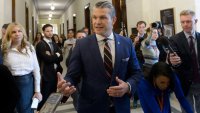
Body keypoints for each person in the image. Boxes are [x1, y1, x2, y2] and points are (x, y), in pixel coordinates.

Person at [57, 1, 143, 113]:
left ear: (113, 20)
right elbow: (72, 76)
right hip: (91, 107)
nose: (97, 22)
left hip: (120, 107)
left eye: (102, 17)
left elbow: (136, 72)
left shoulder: (126, 43)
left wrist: (128, 86)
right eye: (94, 17)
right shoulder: (81, 45)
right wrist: (66, 85)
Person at [2, 22, 42, 113]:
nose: (17, 34)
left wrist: (37, 90)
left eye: (19, 31)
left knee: (27, 109)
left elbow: (36, 69)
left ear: (23, 33)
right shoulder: (4, 50)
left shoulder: (30, 47)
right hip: (10, 84)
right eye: (13, 32)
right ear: (9, 34)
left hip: (28, 83)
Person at [169, 9, 200, 113]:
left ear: (195, 21)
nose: (185, 24)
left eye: (188, 21)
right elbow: (174, 59)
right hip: (185, 83)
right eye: (182, 22)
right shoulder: (174, 39)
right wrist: (173, 62)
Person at [36, 24, 63, 111]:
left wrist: (54, 56)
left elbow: (61, 57)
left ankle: (50, 110)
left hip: (55, 74)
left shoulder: (54, 44)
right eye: (47, 31)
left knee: (53, 95)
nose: (50, 33)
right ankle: (42, 110)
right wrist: (56, 55)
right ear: (43, 32)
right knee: (45, 95)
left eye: (51, 30)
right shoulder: (40, 44)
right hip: (45, 74)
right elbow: (47, 59)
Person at [131, 20, 147, 108]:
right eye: (140, 27)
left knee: (146, 79)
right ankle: (136, 99)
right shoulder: (132, 36)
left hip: (147, 60)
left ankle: (145, 98)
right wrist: (134, 42)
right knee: (138, 79)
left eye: (143, 27)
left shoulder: (147, 36)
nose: (141, 29)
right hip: (137, 61)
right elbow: (129, 49)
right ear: (137, 28)